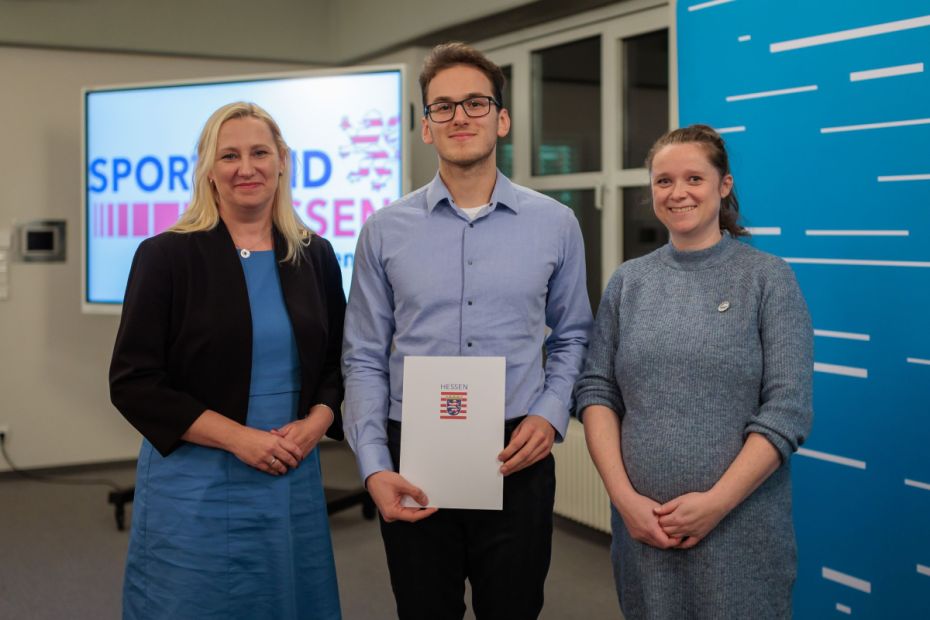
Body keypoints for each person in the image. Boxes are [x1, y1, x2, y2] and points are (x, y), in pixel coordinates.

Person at [342, 42, 593, 619]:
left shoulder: (556, 224)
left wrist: (551, 413)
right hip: (413, 451)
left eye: (476, 104)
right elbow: (362, 356)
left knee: (514, 609)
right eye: (443, 107)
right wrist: (375, 465)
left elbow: (575, 334)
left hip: (517, 452)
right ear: (426, 127)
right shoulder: (384, 231)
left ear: (502, 119)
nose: (460, 117)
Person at [109, 102, 345, 619]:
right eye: (229, 155)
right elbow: (134, 381)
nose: (247, 167)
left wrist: (316, 424)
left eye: (260, 152)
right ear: (208, 171)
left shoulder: (314, 253)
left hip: (291, 467)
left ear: (282, 160)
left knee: (287, 601)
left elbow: (336, 364)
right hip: (196, 479)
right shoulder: (165, 256)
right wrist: (240, 438)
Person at [576, 124, 813, 619]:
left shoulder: (767, 278)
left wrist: (715, 504)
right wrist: (623, 500)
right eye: (664, 181)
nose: (677, 193)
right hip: (643, 535)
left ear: (723, 185)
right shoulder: (629, 283)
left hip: (741, 533)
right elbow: (597, 390)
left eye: (694, 179)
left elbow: (787, 410)